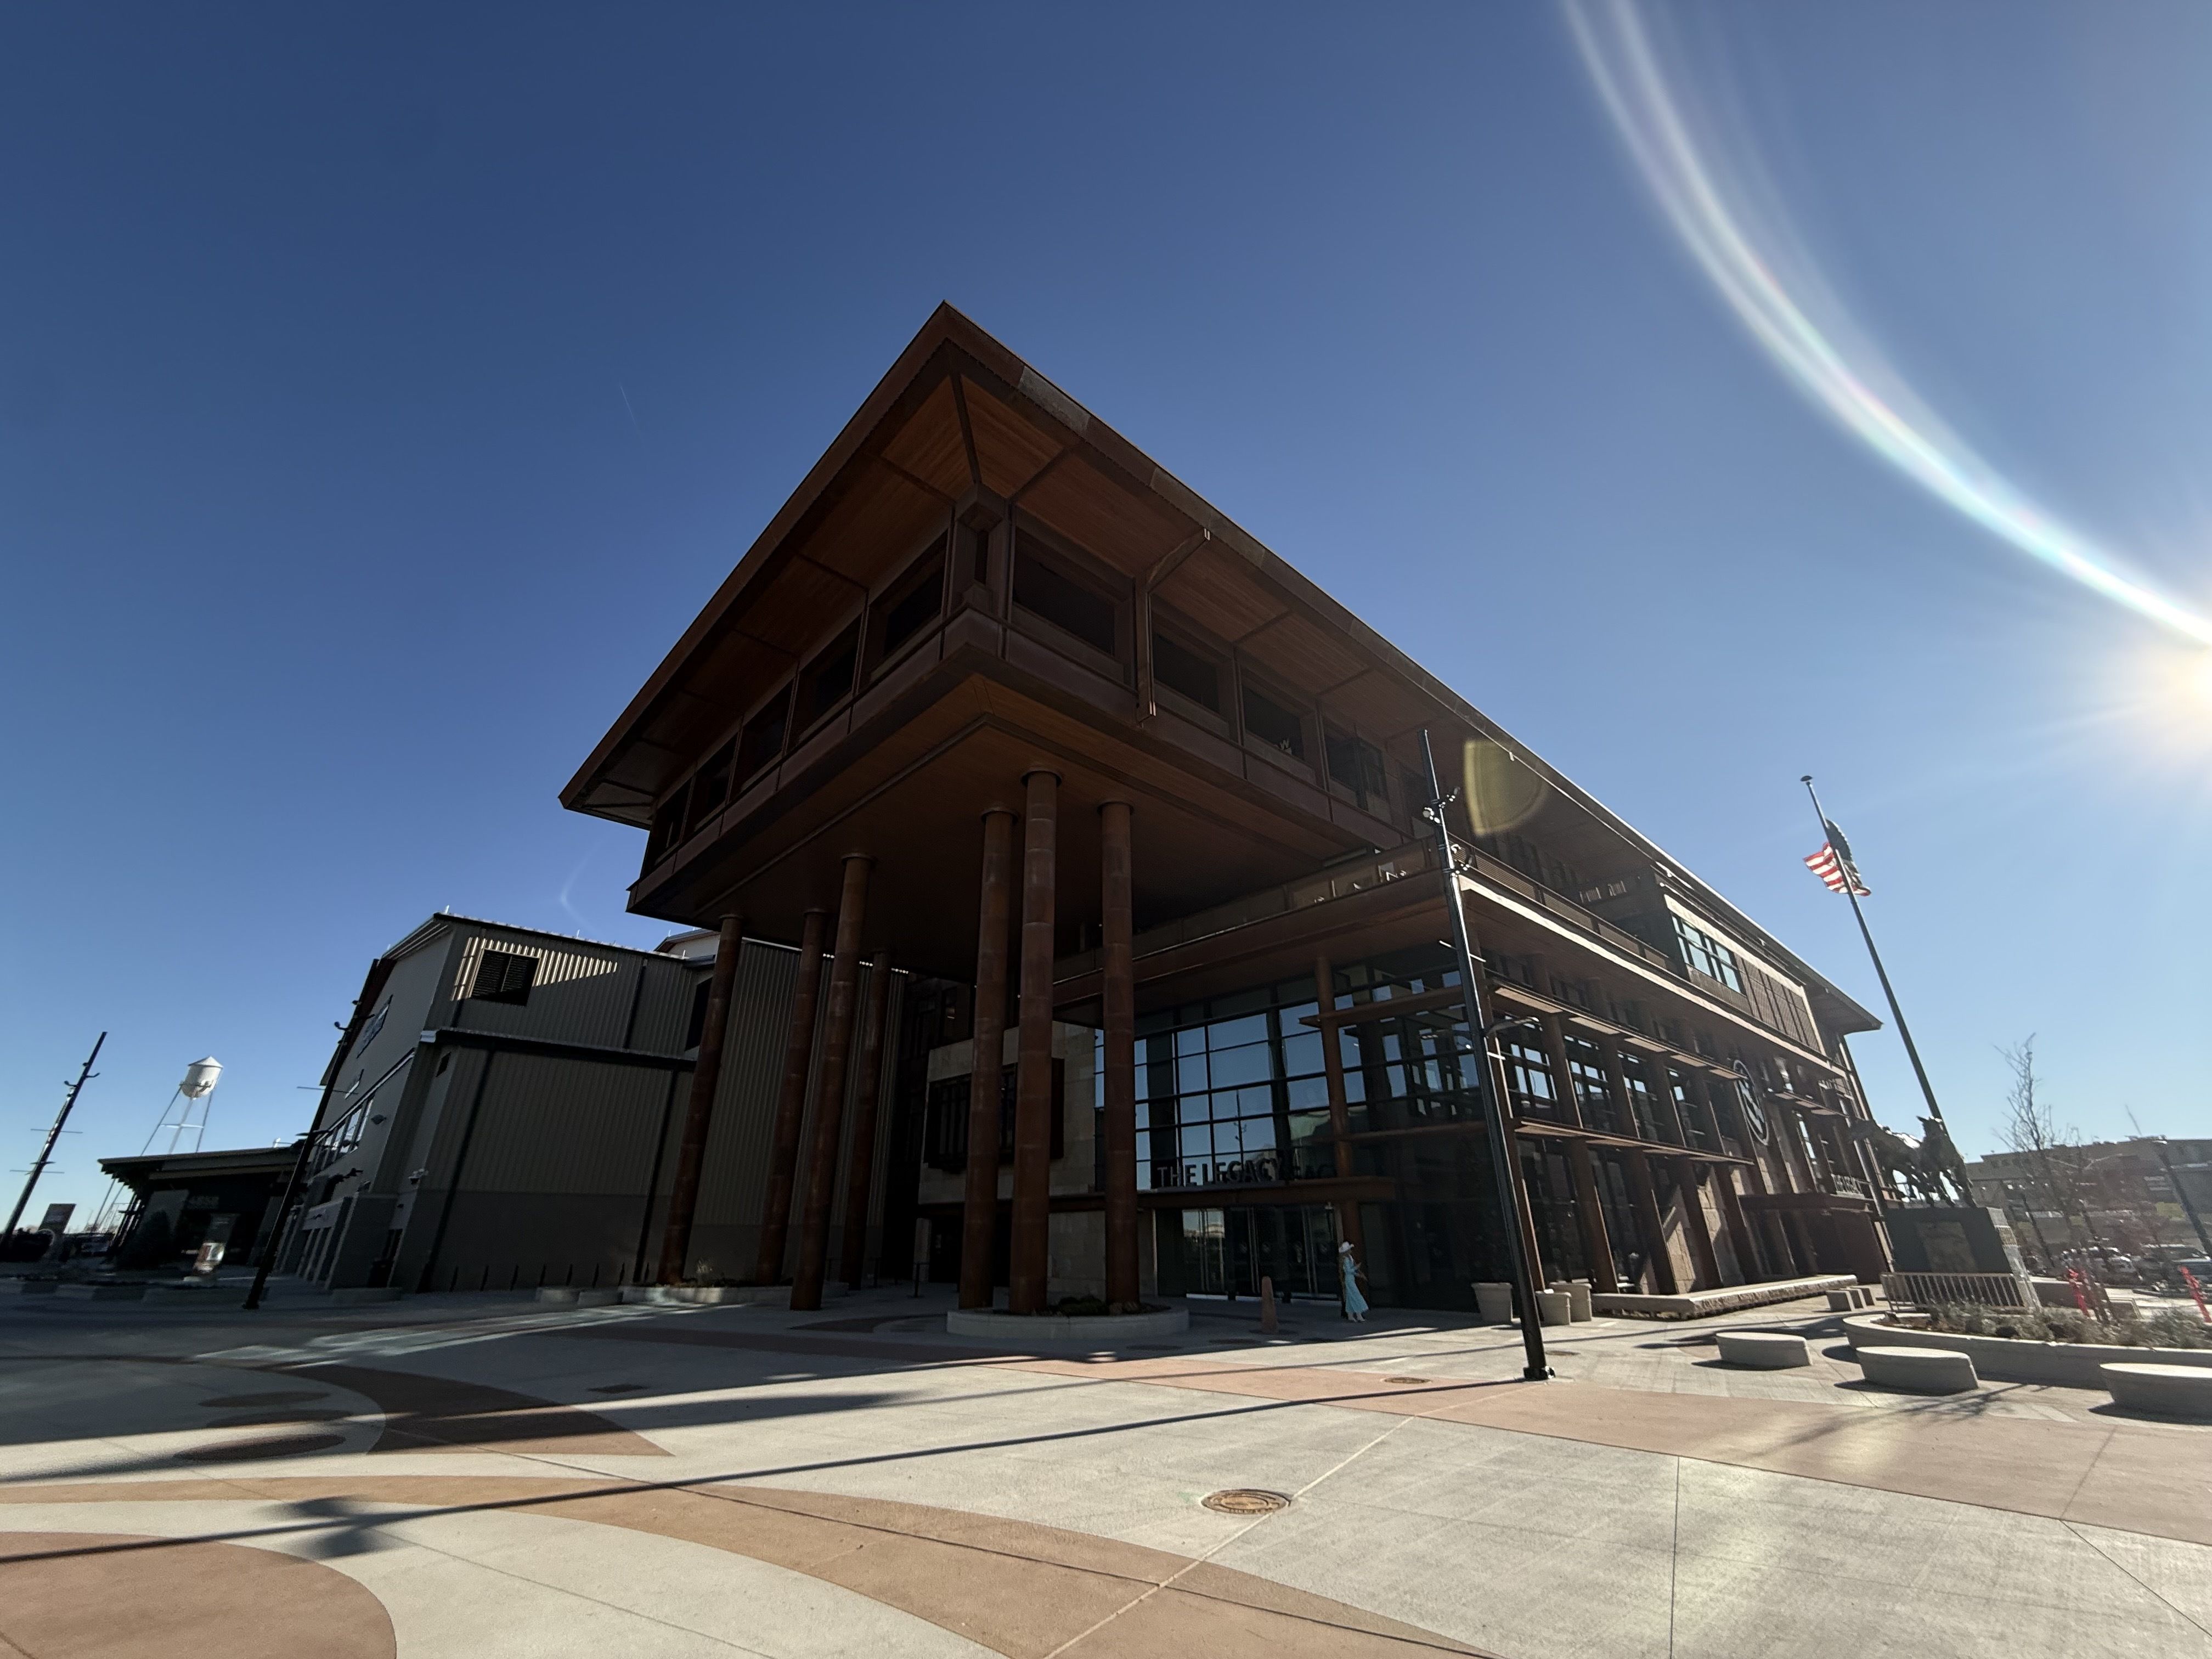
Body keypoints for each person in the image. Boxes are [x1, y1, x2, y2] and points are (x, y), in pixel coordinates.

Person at [1338, 1240, 1369, 1323]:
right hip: (1349, 1280)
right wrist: (1357, 1267)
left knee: (1351, 1297)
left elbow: (1352, 1272)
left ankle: (1350, 1315)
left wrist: (1359, 1275)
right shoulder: (1346, 1260)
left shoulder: (1349, 1259)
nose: (1351, 1251)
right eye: (1350, 1249)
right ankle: (1359, 1314)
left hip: (1351, 1279)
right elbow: (1348, 1271)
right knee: (1356, 1296)